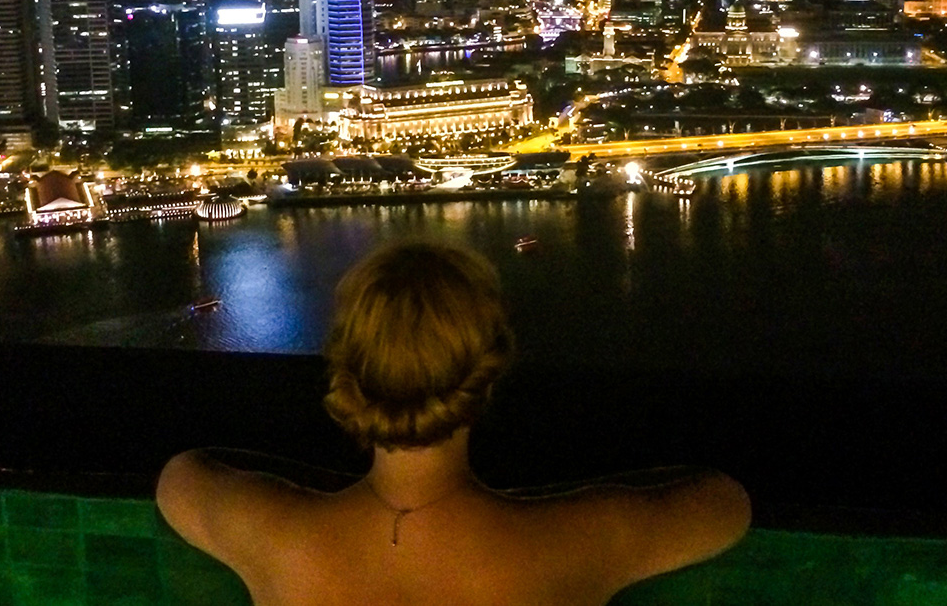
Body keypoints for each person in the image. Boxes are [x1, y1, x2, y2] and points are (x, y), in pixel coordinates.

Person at [157, 241, 749, 606]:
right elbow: (727, 505)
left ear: (347, 372)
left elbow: (181, 477)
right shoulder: (578, 540)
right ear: (487, 374)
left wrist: (302, 490)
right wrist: (553, 501)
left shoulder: (273, 535)